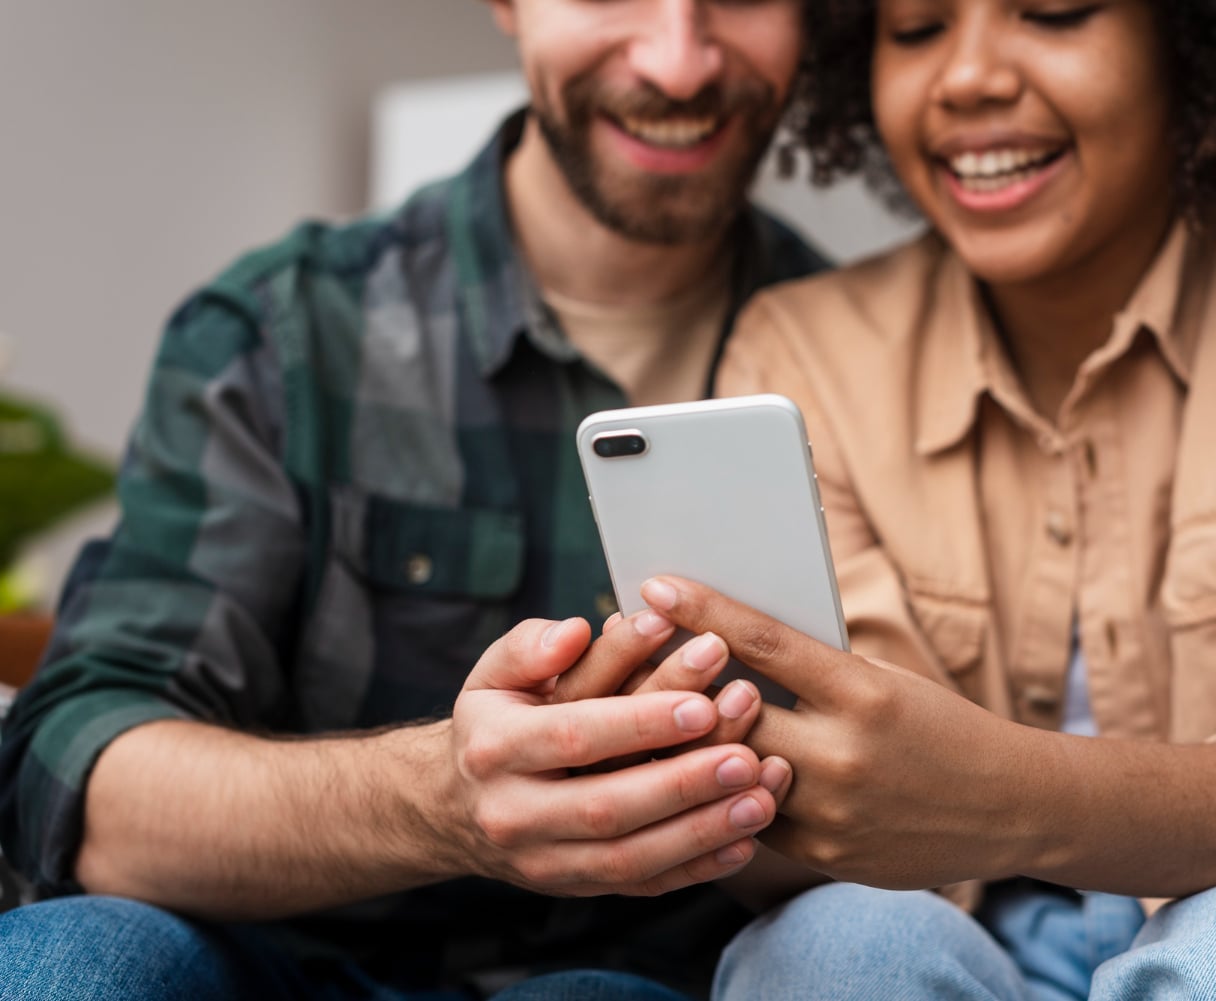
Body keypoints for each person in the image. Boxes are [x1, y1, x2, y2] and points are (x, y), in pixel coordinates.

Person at [613, 0, 1216, 996]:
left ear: (1198, 40)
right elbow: (836, 825)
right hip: (973, 938)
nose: (967, 77)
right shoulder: (808, 350)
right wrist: (707, 770)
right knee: (832, 944)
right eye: (914, 29)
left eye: (1054, 11)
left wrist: (1010, 795)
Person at [0, 1, 828, 998]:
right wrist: (439, 797)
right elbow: (76, 780)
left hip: (635, 977)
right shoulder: (284, 329)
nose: (679, 62)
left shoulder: (878, 358)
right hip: (275, 965)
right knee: (76, 964)